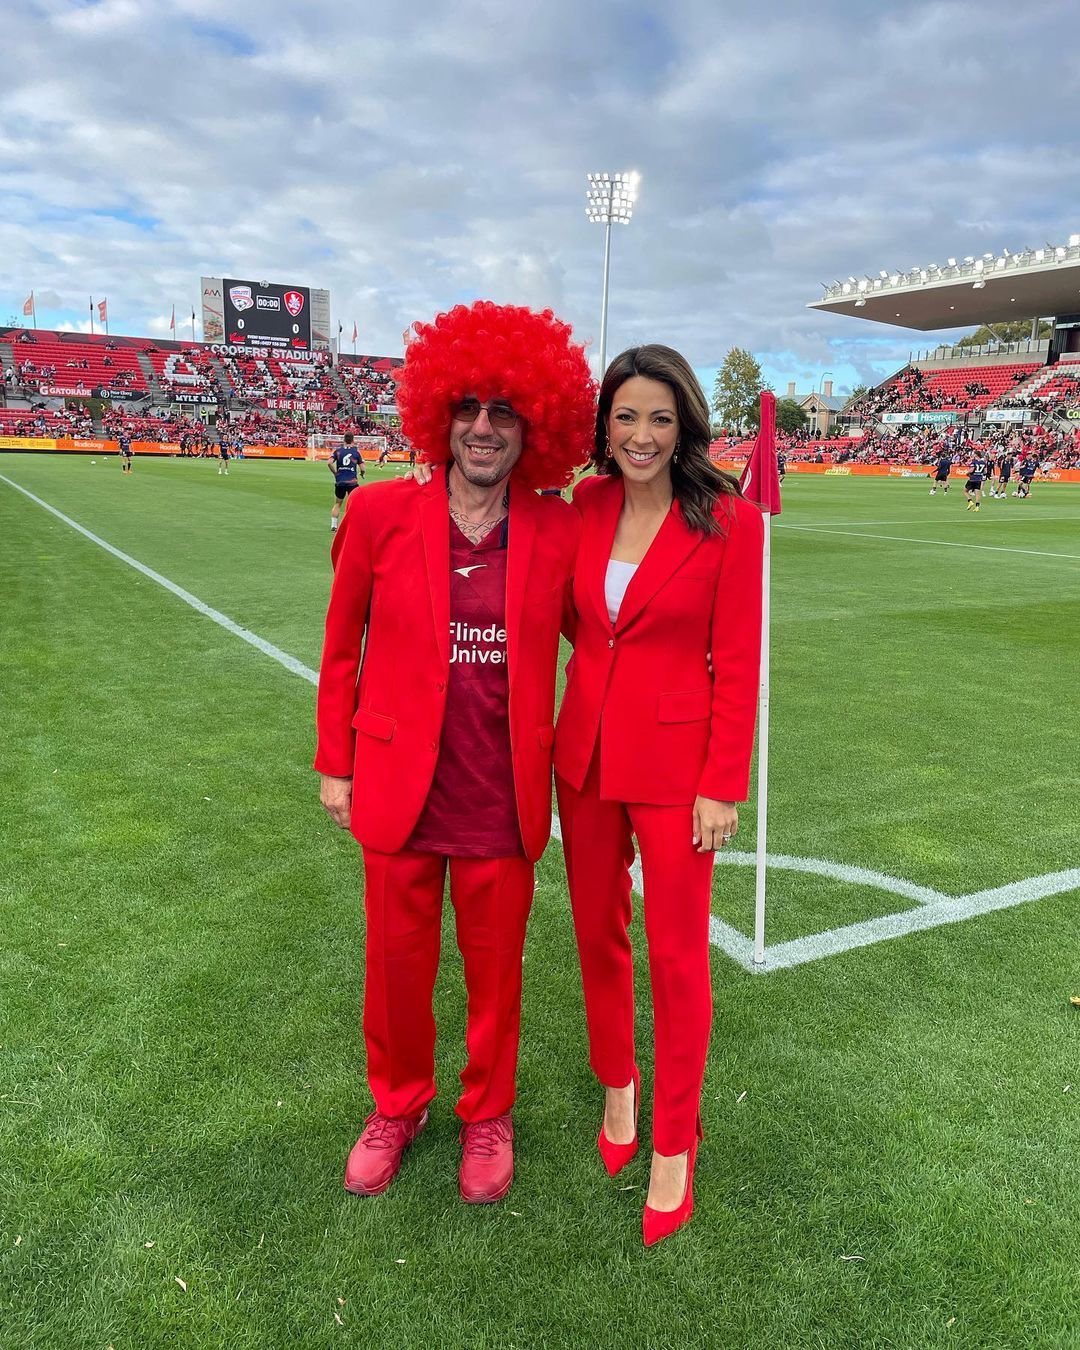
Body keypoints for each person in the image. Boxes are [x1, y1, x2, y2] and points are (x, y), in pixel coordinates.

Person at [315, 301, 593, 1205]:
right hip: (398, 784)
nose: (483, 426)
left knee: (495, 976)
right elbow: (341, 648)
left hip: (502, 792)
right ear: (439, 413)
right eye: (467, 406)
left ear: (535, 425)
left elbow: (604, 639)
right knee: (396, 973)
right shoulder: (377, 514)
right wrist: (335, 763)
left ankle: (487, 1114)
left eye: (504, 410)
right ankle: (397, 1105)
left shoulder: (558, 529)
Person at [553, 345, 763, 1246]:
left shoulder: (732, 523)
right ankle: (619, 1091)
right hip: (584, 760)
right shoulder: (585, 504)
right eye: (627, 416)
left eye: (660, 418)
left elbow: (738, 665)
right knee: (596, 935)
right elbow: (577, 623)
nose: (642, 435)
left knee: (677, 960)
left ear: (685, 428)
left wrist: (722, 785)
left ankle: (676, 1141)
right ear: (605, 425)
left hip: (681, 776)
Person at [328, 433, 363, 531]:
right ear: (353, 440)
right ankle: (352, 524)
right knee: (354, 504)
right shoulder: (356, 452)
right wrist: (362, 473)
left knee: (338, 503)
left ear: (344, 440)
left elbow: (329, 463)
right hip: (352, 482)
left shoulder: (338, 451)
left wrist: (335, 473)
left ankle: (334, 525)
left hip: (340, 481)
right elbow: (362, 468)